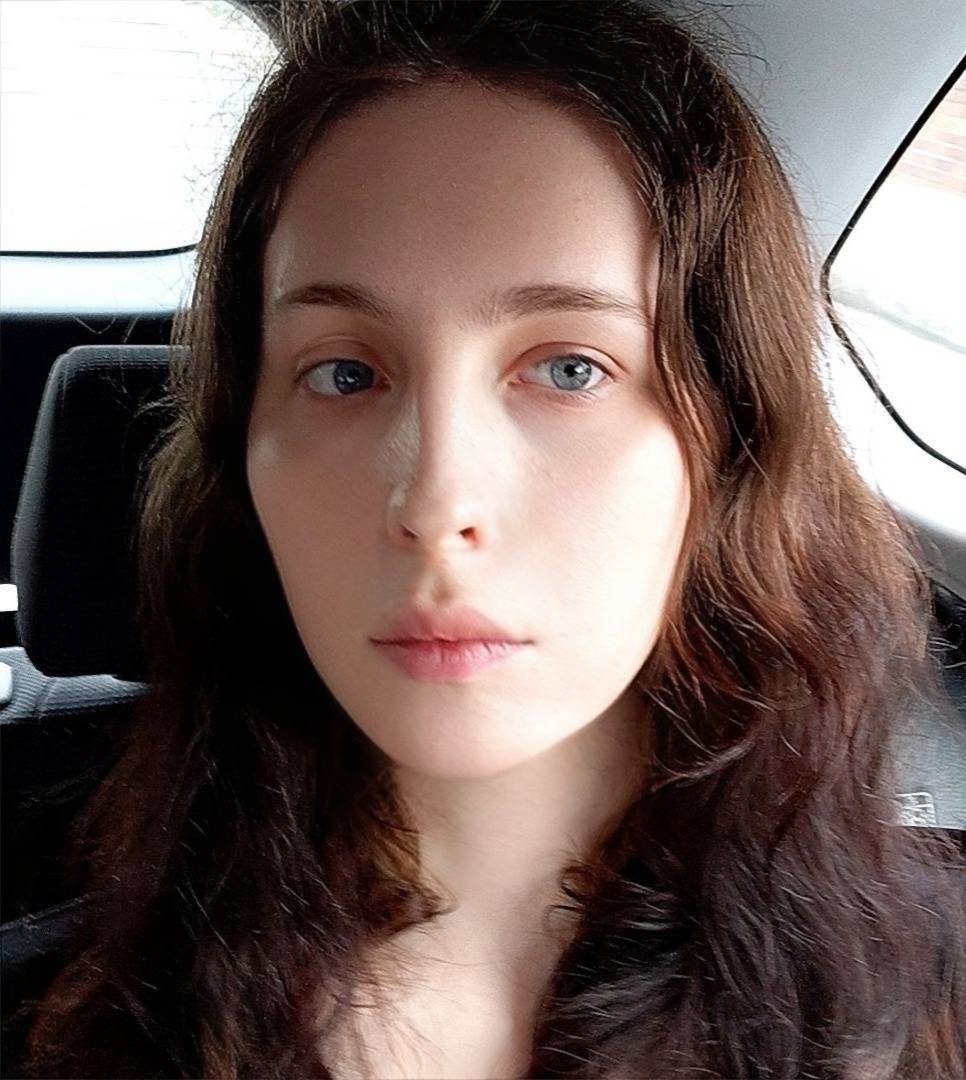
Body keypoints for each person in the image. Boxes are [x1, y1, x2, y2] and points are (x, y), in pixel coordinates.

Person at [20, 1, 965, 1077]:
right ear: (244, 451)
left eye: (571, 368)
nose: (435, 501)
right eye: (344, 373)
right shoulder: (55, 1026)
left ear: (731, 439)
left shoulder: (928, 1000)